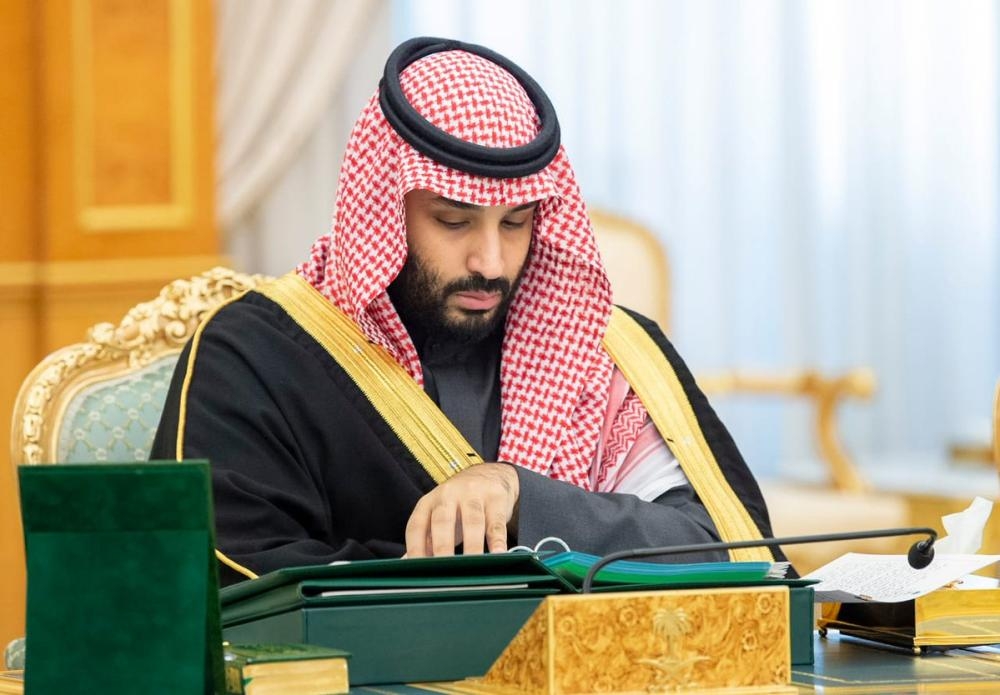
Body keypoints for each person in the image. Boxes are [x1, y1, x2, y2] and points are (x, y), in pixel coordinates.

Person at [151, 37, 785, 586]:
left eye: (516, 222)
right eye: (453, 220)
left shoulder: (606, 350)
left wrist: (518, 496)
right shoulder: (255, 355)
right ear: (383, 208)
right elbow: (232, 576)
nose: (490, 260)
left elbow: (719, 546)